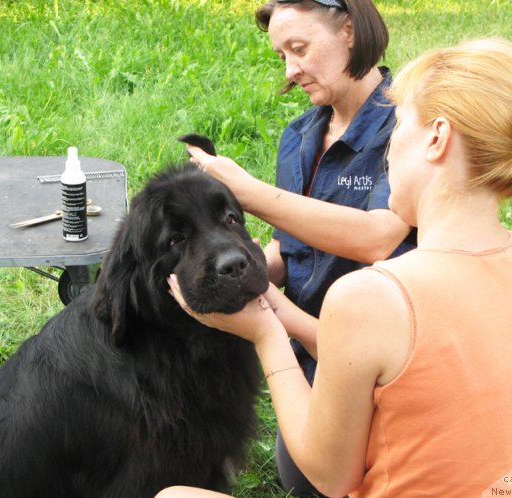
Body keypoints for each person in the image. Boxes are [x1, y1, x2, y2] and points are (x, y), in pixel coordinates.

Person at [159, 38, 512, 497]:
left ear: (436, 138)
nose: (387, 150)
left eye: (398, 128)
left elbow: (329, 475)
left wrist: (265, 333)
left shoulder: (372, 296)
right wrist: (274, 302)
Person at [184, 1, 414, 494]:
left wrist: (252, 195)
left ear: (349, 31)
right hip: (310, 349)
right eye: (282, 55)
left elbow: (378, 236)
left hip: (376, 361)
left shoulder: (407, 127)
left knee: (320, 477)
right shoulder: (299, 136)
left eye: (300, 48)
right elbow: (289, 250)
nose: (290, 70)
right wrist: (230, 278)